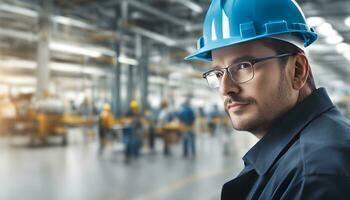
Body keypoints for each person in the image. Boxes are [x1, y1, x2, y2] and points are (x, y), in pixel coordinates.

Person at [185, 0, 350, 199]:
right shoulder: (301, 159)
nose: (225, 89)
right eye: (219, 73)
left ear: (297, 70)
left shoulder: (314, 176)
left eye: (244, 66)